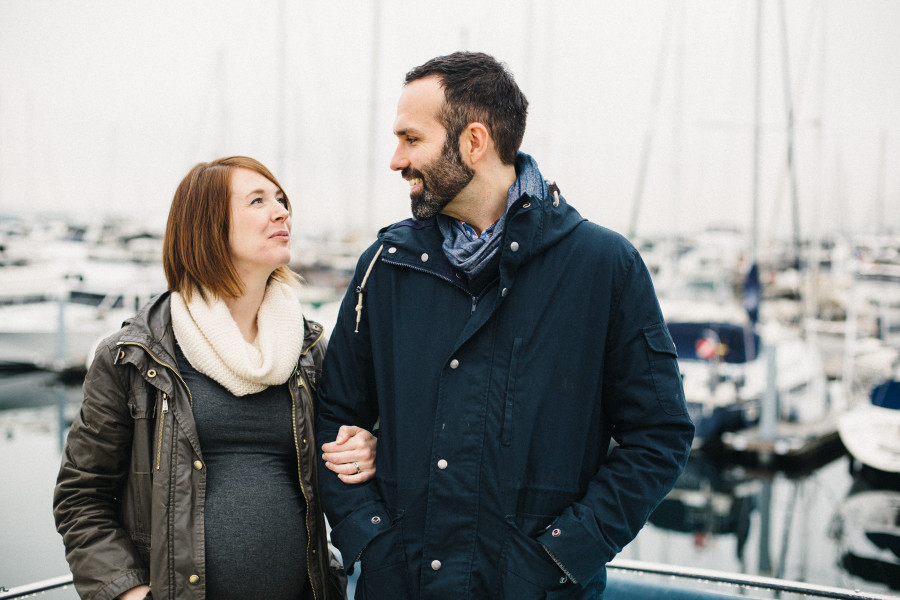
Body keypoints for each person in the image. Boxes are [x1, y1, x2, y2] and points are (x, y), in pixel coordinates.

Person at [315, 52, 694, 598]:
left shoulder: (604, 266)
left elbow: (659, 436)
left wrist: (561, 553)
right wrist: (369, 538)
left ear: (474, 141)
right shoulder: (386, 263)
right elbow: (336, 413)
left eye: (411, 139)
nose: (396, 160)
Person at [54, 156, 377, 600]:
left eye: (281, 199)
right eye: (258, 200)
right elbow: (80, 498)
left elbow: (346, 456)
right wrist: (128, 594)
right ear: (208, 225)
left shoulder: (307, 352)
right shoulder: (132, 356)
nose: (281, 211)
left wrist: (365, 446)